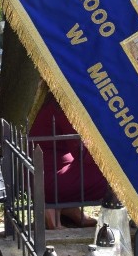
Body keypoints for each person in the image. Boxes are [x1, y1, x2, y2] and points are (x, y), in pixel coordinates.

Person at [29, 93, 107, 230]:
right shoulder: (65, 107)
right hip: (50, 181)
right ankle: (55, 206)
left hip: (41, 175)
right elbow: (83, 153)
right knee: (116, 176)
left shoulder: (53, 100)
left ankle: (66, 207)